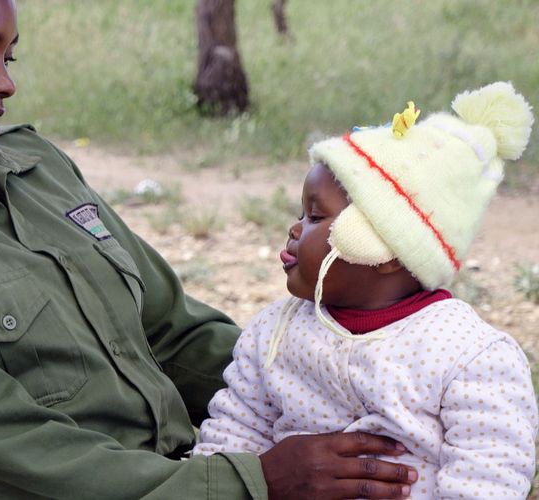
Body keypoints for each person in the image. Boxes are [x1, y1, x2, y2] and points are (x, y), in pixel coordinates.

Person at [0, 0, 419, 498]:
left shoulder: (33, 167)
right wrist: (257, 482)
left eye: (8, 58)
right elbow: (8, 459)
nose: (6, 83)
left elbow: (175, 336)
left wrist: (351, 394)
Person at [193, 82, 538, 498]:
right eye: (301, 213)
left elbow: (489, 479)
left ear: (387, 250)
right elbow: (231, 436)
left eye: (316, 216)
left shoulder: (469, 358)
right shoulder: (272, 334)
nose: (295, 228)